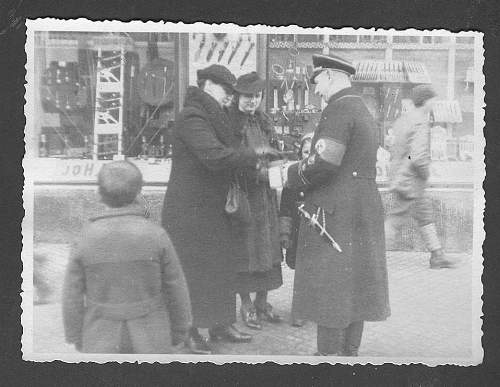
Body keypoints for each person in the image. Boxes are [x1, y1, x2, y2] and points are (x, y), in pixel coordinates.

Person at [279, 54, 391, 356]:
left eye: (316, 82)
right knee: (355, 285)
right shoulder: (362, 109)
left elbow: (324, 163)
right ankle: (349, 353)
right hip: (362, 209)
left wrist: (288, 174)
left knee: (330, 288)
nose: (316, 90)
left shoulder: (338, 110)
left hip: (334, 214)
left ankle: (328, 357)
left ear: (329, 76)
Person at [162, 65, 279, 354]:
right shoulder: (192, 116)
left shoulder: (214, 116)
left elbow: (227, 152)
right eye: (227, 90)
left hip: (214, 207)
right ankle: (189, 331)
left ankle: (220, 324)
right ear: (208, 85)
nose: (231, 96)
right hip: (190, 211)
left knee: (222, 268)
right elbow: (214, 156)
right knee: (193, 272)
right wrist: (255, 153)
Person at [62, 161, 192, 353]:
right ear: (139, 192)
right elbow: (176, 287)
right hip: (152, 335)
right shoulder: (156, 235)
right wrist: (180, 330)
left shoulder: (85, 238)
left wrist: (75, 335)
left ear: (100, 195)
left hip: (99, 335)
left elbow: (71, 295)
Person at [226, 72, 283, 331]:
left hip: (265, 196)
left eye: (257, 96)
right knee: (247, 252)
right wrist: (260, 173)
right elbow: (232, 160)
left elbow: (274, 152)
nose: (252, 101)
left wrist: (278, 166)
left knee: (268, 249)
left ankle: (263, 303)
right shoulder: (230, 123)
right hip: (245, 195)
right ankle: (246, 305)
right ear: (238, 95)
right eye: (248, 96)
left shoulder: (262, 121)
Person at [385, 85, 459, 269]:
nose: (435, 102)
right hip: (410, 181)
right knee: (395, 219)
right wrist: (426, 173)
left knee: (425, 215)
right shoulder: (420, 122)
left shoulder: (403, 120)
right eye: (433, 99)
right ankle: (373, 257)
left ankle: (437, 255)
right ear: (425, 101)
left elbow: (399, 151)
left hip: (403, 177)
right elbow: (416, 156)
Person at [279, 132, 313, 327]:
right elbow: (285, 207)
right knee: (301, 272)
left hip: (316, 231)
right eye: (305, 151)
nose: (308, 156)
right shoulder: (293, 174)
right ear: (300, 153)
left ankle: (315, 307)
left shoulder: (322, 176)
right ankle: (299, 310)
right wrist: (285, 233)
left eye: (312, 152)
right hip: (299, 232)